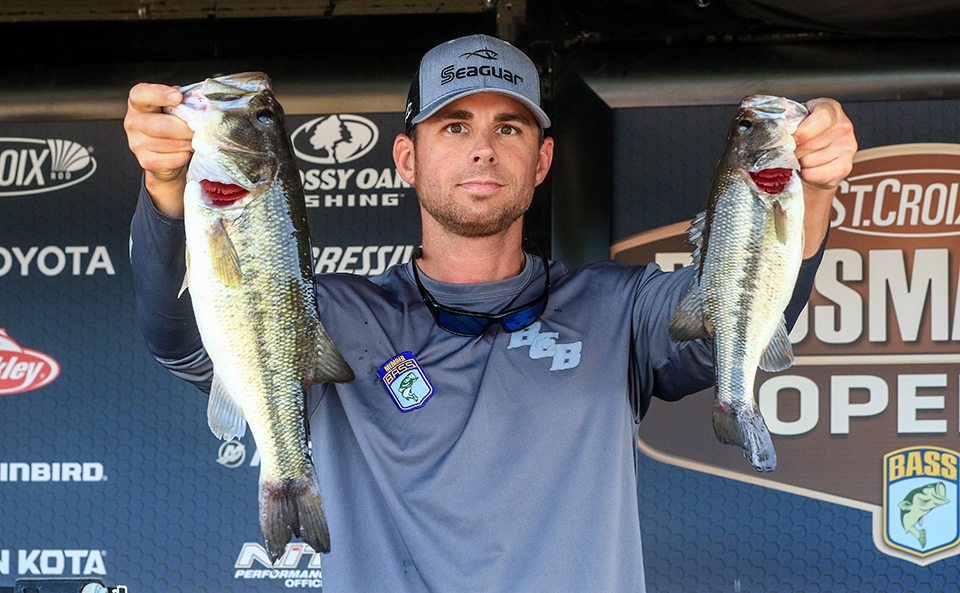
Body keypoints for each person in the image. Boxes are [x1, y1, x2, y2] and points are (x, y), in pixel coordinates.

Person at [124, 34, 856, 593]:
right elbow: (178, 341)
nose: (482, 148)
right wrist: (165, 190)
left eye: (509, 127)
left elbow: (737, 319)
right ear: (406, 159)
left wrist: (813, 188)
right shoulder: (336, 313)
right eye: (454, 126)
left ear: (541, 161)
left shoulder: (619, 308)